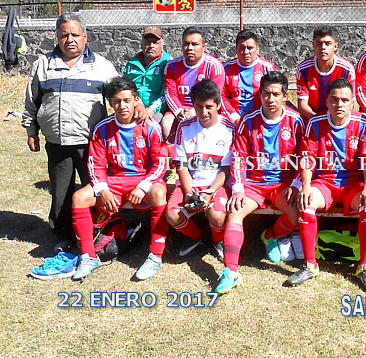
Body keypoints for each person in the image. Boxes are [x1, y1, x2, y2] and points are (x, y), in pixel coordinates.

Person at [22, 13, 119, 247]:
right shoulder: (43, 65)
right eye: (64, 35)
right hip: (57, 142)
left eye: (75, 34)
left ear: (85, 37)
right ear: (57, 37)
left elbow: (121, 95)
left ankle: (97, 233)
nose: (70, 40)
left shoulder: (102, 66)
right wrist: (31, 130)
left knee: (94, 190)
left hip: (91, 144)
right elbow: (32, 101)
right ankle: (64, 236)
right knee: (61, 192)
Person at [70, 76, 169, 281]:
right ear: (110, 103)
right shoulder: (102, 128)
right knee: (79, 197)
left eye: (126, 100)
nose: (122, 106)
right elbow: (95, 164)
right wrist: (103, 190)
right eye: (117, 101)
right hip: (114, 181)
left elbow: (160, 163)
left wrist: (143, 186)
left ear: (136, 100)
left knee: (159, 193)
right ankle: (89, 256)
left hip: (143, 180)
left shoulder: (150, 127)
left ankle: (155, 255)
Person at [216, 71, 304, 295]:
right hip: (253, 184)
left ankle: (270, 236)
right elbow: (238, 157)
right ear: (260, 95)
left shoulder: (296, 121)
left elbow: (305, 157)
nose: (270, 99)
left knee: (297, 215)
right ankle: (230, 272)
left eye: (276, 94)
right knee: (234, 214)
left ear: (285, 96)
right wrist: (238, 188)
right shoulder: (248, 121)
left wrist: (296, 184)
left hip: (283, 184)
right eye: (266, 94)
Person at [286, 78, 366, 291]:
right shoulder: (315, 122)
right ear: (326, 101)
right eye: (334, 99)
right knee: (306, 202)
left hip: (353, 183)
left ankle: (363, 267)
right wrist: (305, 185)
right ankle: (310, 265)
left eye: (345, 100)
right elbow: (307, 156)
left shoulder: (362, 122)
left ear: (352, 102)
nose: (339, 104)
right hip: (324, 183)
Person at [165, 79, 234, 259]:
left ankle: (217, 240)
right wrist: (189, 192)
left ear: (218, 105)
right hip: (191, 184)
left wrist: (209, 192)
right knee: (172, 215)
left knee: (217, 216)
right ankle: (196, 237)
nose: (203, 112)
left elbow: (226, 170)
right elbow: (181, 165)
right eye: (198, 107)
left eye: (209, 107)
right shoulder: (184, 126)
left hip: (216, 185)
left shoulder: (228, 129)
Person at [163, 27, 225, 140]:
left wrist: (193, 112)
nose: (190, 48)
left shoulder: (214, 66)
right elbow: (170, 94)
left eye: (195, 44)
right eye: (186, 44)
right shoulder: (171, 66)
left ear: (203, 47)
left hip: (204, 110)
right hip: (179, 111)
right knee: (166, 123)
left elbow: (215, 96)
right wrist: (179, 112)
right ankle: (174, 150)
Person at [296, 26, 355, 119]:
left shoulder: (346, 69)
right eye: (319, 44)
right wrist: (318, 121)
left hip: (338, 118)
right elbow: (302, 104)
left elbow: (350, 104)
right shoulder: (303, 69)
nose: (323, 47)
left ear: (335, 46)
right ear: (313, 45)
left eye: (328, 44)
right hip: (312, 118)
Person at [222, 29, 276, 125]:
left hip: (260, 119)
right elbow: (221, 96)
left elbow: (274, 96)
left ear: (257, 49)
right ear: (236, 50)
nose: (246, 52)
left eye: (250, 48)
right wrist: (234, 117)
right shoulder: (226, 68)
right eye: (241, 48)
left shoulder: (268, 68)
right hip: (232, 119)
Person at [122, 26, 171, 126]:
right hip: (133, 107)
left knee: (152, 125)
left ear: (162, 46)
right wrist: (137, 103)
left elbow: (167, 93)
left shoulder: (168, 64)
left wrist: (150, 109)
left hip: (157, 111)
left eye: (155, 43)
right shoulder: (132, 63)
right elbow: (123, 87)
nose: (151, 46)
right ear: (141, 45)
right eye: (148, 42)